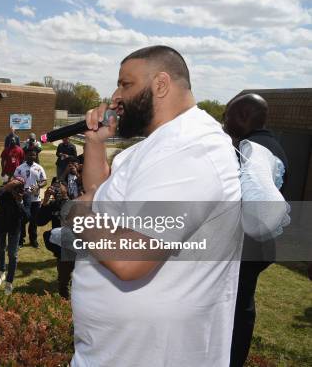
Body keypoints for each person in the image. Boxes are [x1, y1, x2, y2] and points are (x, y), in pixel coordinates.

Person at [70, 46, 242, 366]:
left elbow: (131, 259)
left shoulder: (193, 149)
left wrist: (77, 217)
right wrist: (95, 141)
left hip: (151, 355)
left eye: (126, 84)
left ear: (160, 84)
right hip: (111, 352)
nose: (115, 96)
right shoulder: (156, 145)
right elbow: (99, 195)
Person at [224, 93, 288, 367]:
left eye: (227, 115)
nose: (224, 122)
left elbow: (262, 200)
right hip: (258, 245)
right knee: (241, 304)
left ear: (242, 116)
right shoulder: (268, 143)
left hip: (248, 244)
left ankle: (231, 359)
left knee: (236, 308)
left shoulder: (256, 149)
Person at [0, 176, 28, 295]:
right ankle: (1, 272)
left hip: (14, 228)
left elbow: (27, 216)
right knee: (0, 249)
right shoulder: (4, 191)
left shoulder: (24, 195)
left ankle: (9, 282)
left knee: (12, 254)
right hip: (0, 224)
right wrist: (6, 187)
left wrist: (19, 201)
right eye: (14, 184)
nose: (15, 187)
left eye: (19, 185)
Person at [37, 178, 73, 299]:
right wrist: (46, 200)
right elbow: (40, 221)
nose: (55, 189)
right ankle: (65, 304)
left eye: (59, 186)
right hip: (61, 246)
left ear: (66, 188)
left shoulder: (75, 201)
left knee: (79, 278)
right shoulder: (53, 205)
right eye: (54, 187)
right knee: (63, 280)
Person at [13, 149, 47, 248]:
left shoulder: (39, 168)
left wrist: (38, 186)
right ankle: (20, 240)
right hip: (23, 198)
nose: (32, 157)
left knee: (34, 220)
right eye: (30, 155)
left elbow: (44, 181)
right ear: (25, 155)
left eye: (34, 155)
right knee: (22, 219)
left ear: (36, 156)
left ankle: (33, 240)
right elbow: (14, 180)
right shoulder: (20, 168)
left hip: (35, 199)